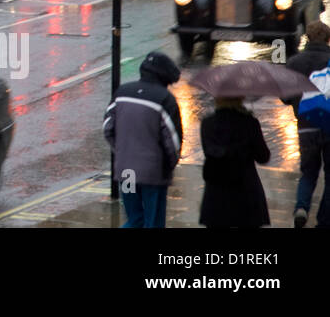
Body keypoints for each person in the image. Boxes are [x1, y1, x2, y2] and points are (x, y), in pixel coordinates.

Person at [104, 51, 183, 228]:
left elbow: (107, 128)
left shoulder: (122, 93)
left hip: (126, 172)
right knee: (153, 221)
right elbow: (173, 142)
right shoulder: (165, 99)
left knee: (135, 219)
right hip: (153, 174)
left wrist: (122, 152)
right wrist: (169, 165)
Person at [284, 20, 330, 228]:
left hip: (306, 125)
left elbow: (285, 96)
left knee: (308, 172)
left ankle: (301, 207)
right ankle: (324, 219)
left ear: (308, 38)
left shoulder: (295, 62)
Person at [199, 97, 270, 228]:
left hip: (216, 192)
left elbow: (208, 152)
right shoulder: (249, 122)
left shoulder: (207, 123)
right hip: (246, 191)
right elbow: (263, 157)